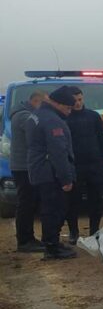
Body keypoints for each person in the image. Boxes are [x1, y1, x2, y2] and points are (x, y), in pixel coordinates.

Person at [25, 86, 77, 260]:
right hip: (50, 172)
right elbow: (58, 152)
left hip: (40, 169)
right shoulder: (52, 120)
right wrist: (66, 178)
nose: (69, 112)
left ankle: (51, 242)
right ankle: (52, 246)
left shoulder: (38, 115)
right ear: (57, 103)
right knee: (55, 209)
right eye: (67, 108)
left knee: (49, 208)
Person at [64, 87, 103, 243]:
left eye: (80, 100)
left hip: (95, 164)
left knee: (96, 200)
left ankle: (95, 231)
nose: (77, 103)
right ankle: (73, 232)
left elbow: (102, 138)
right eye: (74, 100)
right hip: (75, 165)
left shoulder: (93, 116)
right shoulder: (65, 118)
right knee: (72, 201)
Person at [9, 91, 47, 252]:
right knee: (26, 204)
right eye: (44, 104)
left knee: (28, 203)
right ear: (36, 101)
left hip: (23, 165)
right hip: (24, 166)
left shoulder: (22, 114)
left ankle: (28, 238)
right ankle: (25, 241)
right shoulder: (25, 117)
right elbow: (37, 135)